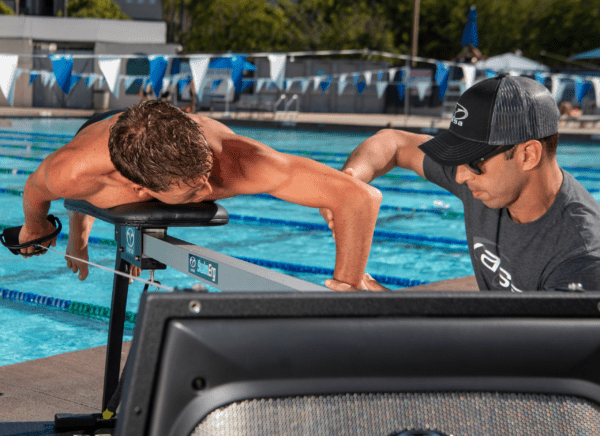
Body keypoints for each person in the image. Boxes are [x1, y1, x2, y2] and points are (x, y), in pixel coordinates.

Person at [18, 101, 381, 289]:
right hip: (100, 135)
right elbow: (35, 190)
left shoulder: (236, 161)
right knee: (87, 203)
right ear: (141, 190)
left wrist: (349, 284)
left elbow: (360, 197)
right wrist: (34, 227)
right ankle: (81, 231)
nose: (210, 192)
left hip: (158, 132)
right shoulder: (74, 171)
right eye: (193, 190)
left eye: (205, 176)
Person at [322, 74, 600, 292]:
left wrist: (397, 316)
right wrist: (349, 182)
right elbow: (392, 142)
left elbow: (533, 358)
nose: (460, 176)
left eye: (472, 160)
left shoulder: (580, 258)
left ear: (528, 155)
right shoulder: (487, 182)